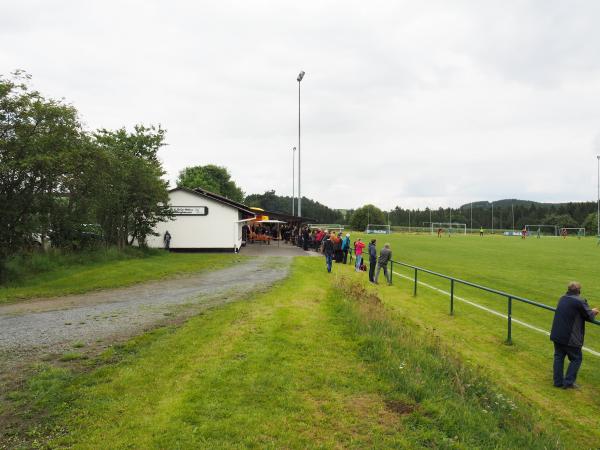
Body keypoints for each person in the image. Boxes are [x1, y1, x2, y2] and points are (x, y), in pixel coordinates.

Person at [550, 281, 599, 389]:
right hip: (570, 337)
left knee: (558, 357)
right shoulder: (580, 301)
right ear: (579, 291)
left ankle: (557, 382)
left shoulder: (562, 298)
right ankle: (568, 383)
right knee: (576, 358)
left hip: (557, 334)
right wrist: (594, 311)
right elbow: (589, 316)